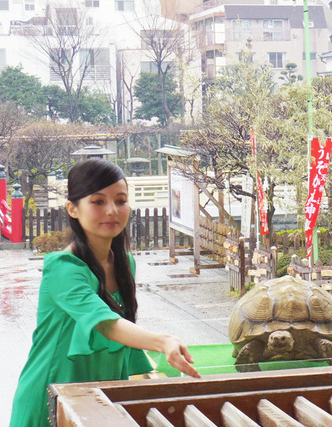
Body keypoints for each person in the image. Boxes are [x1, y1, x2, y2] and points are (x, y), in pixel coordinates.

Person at [10, 159, 200, 427]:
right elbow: (105, 323)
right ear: (73, 209)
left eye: (120, 201)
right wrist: (163, 341)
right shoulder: (64, 268)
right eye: (98, 202)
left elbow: (123, 331)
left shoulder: (125, 264)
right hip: (50, 401)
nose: (112, 210)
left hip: (99, 402)